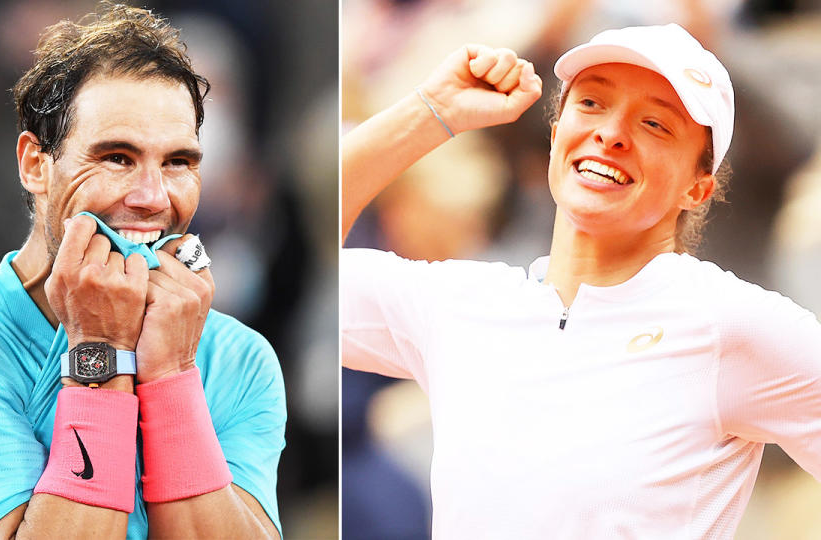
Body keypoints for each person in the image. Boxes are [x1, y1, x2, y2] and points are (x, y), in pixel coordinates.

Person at [341, 24, 821, 538]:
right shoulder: (459, 303)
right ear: (554, 138)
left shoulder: (731, 323)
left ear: (698, 188)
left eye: (656, 124)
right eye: (591, 103)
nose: (611, 133)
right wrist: (430, 111)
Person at [0, 4, 284, 539]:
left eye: (178, 162)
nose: (153, 197)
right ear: (36, 165)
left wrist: (171, 373)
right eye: (116, 157)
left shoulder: (242, 358)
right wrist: (102, 351)